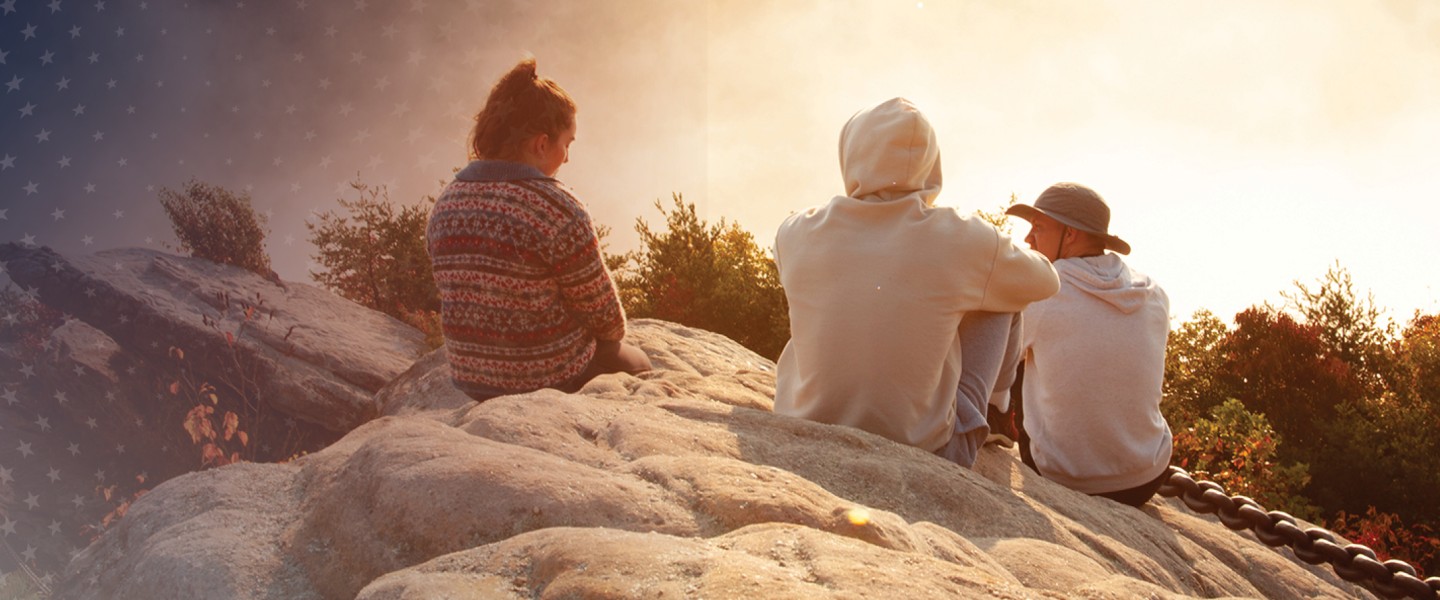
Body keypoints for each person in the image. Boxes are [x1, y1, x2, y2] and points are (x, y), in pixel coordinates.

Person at [772, 98, 1059, 468]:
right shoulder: (960, 237)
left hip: (804, 426)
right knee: (1003, 296)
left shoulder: (794, 232)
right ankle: (998, 410)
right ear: (930, 163)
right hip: (927, 449)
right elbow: (1045, 281)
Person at [426, 57, 651, 402]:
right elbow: (608, 321)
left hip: (472, 380)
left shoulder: (447, 204)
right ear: (541, 144)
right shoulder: (556, 208)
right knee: (637, 362)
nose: (568, 157)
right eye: (568, 143)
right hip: (548, 376)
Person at [1004, 182, 1173, 507]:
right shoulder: (1154, 294)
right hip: (1146, 476)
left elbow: (999, 362)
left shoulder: (1044, 289)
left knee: (1015, 348)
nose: (1028, 239)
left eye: (1038, 228)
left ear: (1070, 234)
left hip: (1065, 476)